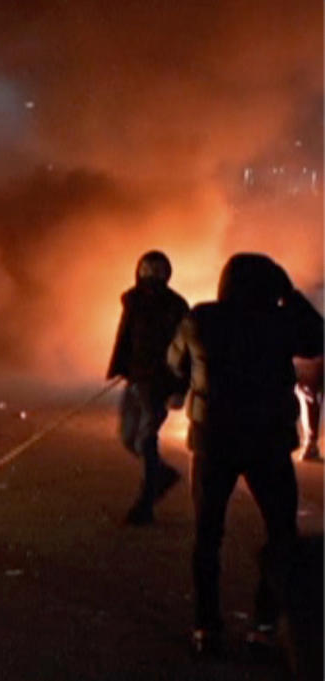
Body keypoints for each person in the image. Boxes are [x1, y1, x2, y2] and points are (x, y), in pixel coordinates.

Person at [166, 253, 323, 658]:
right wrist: (291, 295)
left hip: (214, 440)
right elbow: (318, 338)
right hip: (267, 442)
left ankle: (206, 626)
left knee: (207, 534)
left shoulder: (201, 318)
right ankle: (264, 625)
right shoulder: (280, 321)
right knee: (281, 534)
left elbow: (174, 361)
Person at [106, 250, 189, 525]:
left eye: (157, 269)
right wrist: (121, 367)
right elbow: (126, 337)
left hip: (159, 384)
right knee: (128, 437)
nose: (151, 274)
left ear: (167, 272)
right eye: (147, 268)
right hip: (135, 380)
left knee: (146, 440)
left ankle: (145, 505)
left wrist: (180, 388)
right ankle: (163, 476)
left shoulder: (176, 306)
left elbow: (186, 351)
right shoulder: (132, 301)